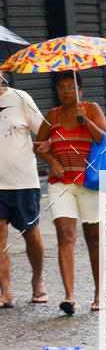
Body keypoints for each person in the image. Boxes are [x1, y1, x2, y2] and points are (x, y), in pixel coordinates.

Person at [36, 71, 106, 315]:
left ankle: (100, 294)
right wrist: (49, 158)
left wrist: (86, 121)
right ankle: (69, 296)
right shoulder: (52, 115)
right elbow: (38, 145)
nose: (66, 91)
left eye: (71, 86)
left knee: (94, 238)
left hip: (90, 182)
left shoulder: (92, 109)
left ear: (81, 90)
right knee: (65, 235)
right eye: (62, 87)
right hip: (61, 183)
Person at [0, 74, 48, 308]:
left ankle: (38, 280)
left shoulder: (20, 98)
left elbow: (44, 132)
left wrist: (47, 149)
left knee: (31, 233)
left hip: (23, 182)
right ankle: (6, 292)